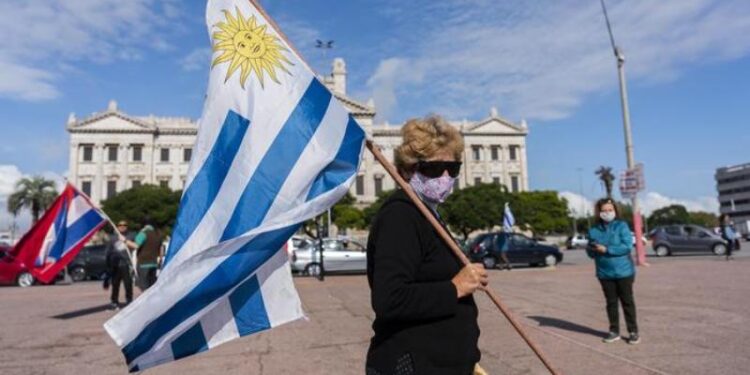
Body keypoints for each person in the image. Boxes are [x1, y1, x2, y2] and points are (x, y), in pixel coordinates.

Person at [366, 115, 488, 375]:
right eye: (434, 169)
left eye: (453, 169)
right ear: (409, 169)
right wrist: (455, 287)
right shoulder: (400, 215)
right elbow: (390, 299)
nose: (445, 176)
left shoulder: (427, 213)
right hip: (413, 364)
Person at [587, 198, 640, 345]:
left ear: (615, 211)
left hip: (624, 271)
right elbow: (590, 253)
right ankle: (614, 331)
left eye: (610, 210)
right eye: (604, 210)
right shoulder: (593, 230)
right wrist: (592, 249)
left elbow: (627, 246)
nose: (607, 213)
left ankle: (633, 331)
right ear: (599, 212)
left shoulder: (621, 226)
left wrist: (607, 249)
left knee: (627, 301)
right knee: (611, 303)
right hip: (604, 273)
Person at [103, 220, 137, 310]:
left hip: (126, 264)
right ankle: (114, 302)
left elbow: (136, 246)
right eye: (120, 225)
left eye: (124, 225)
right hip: (115, 264)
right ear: (117, 226)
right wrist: (108, 262)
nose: (122, 226)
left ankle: (129, 300)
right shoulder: (113, 238)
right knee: (115, 284)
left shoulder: (131, 236)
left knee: (128, 284)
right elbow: (108, 251)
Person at [134, 219, 162, 291]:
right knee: (152, 287)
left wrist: (125, 240)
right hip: (154, 263)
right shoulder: (158, 233)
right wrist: (160, 259)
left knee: (144, 287)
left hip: (143, 263)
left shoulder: (143, 233)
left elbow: (136, 245)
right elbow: (161, 248)